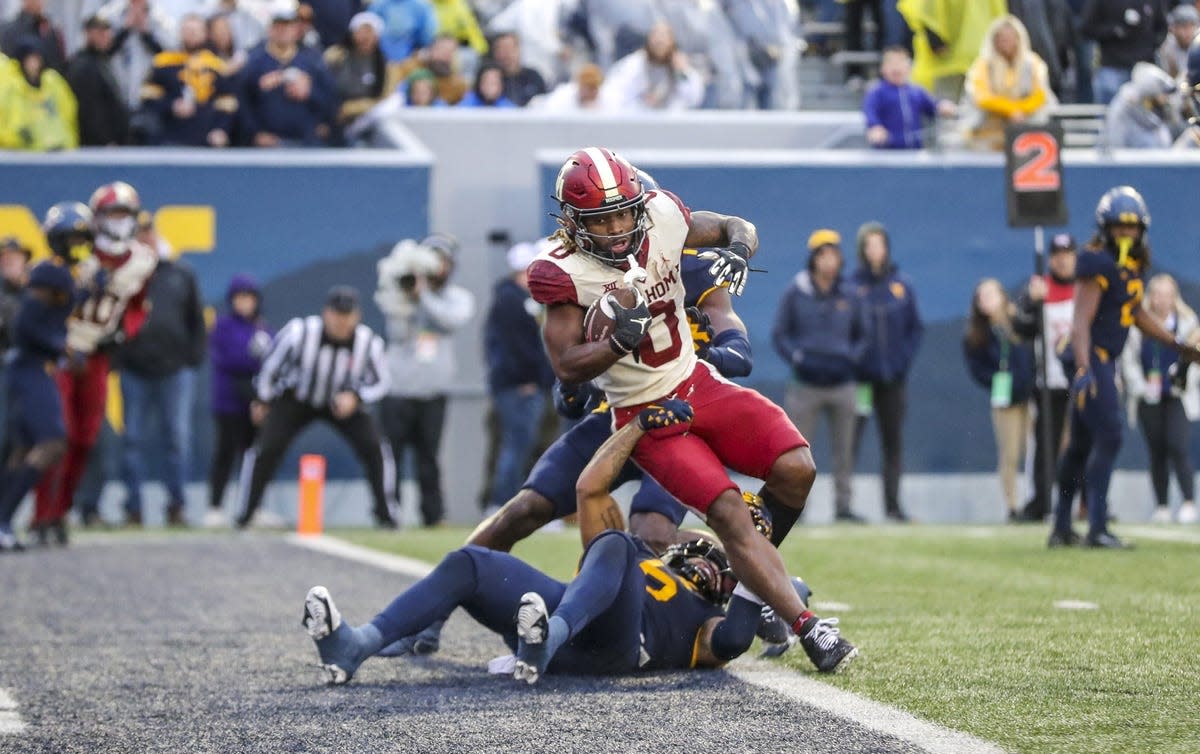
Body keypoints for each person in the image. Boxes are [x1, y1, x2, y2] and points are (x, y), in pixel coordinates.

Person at [525, 147, 856, 673]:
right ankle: (807, 624)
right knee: (725, 512)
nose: (615, 228)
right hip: (644, 411)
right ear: (573, 223)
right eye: (601, 219)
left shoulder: (660, 215)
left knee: (797, 467)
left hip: (697, 380)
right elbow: (566, 365)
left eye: (622, 213)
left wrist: (740, 250)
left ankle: (752, 589)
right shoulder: (561, 273)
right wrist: (615, 345)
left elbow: (731, 225)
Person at [301, 398, 847, 686]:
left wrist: (762, 593)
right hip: (567, 623)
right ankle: (357, 645)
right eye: (717, 555)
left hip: (612, 648)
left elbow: (728, 644)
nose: (715, 566)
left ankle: (547, 638)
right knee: (469, 561)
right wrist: (635, 429)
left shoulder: (705, 621)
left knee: (621, 546)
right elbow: (589, 487)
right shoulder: (658, 559)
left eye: (729, 571)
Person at [1049, 186, 1200, 548]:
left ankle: (1061, 526)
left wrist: (1175, 343)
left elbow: (1134, 311)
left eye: (1131, 228)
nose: (1126, 234)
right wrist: (1085, 368)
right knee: (1111, 434)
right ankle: (1097, 526)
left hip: (1101, 358)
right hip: (1090, 357)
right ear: (1105, 227)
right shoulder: (1096, 261)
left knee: (1080, 445)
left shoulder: (1134, 263)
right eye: (1119, 227)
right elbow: (1081, 320)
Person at [32, 182, 157, 541]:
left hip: (98, 356)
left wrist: (124, 332)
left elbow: (136, 307)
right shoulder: (75, 252)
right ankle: (42, 514)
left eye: (124, 215)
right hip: (62, 350)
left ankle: (61, 512)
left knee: (86, 438)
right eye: (111, 214)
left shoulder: (142, 259)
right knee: (59, 434)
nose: (118, 222)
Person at [236, 286, 394, 529]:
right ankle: (246, 513)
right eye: (336, 314)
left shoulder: (368, 342)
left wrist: (357, 397)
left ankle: (387, 514)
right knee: (266, 448)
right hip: (296, 399)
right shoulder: (299, 333)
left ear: (357, 316)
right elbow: (270, 367)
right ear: (326, 313)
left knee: (375, 447)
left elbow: (382, 382)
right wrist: (264, 400)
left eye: (346, 315)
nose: (341, 321)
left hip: (343, 401)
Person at [375, 235, 475, 528]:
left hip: (433, 391)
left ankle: (432, 515)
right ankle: (386, 513)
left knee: (428, 458)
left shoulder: (457, 297)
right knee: (390, 457)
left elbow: (451, 320)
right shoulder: (401, 294)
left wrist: (424, 297)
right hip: (397, 390)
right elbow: (396, 333)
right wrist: (405, 295)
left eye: (443, 262)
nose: (438, 268)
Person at [113, 230, 206, 527]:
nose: (146, 243)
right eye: (139, 238)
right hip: (135, 370)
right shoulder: (124, 275)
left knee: (176, 440)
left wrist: (191, 360)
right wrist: (119, 360)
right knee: (132, 440)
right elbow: (110, 316)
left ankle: (176, 507)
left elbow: (196, 321)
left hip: (174, 370)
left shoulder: (181, 273)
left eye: (148, 236)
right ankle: (133, 509)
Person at [772, 229, 865, 523]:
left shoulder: (850, 293)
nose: (830, 261)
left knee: (845, 450)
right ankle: (794, 509)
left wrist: (851, 359)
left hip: (843, 384)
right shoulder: (796, 292)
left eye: (834, 255)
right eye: (823, 255)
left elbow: (864, 336)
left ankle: (844, 507)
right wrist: (798, 358)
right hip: (805, 385)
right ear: (813, 259)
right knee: (798, 452)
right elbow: (780, 334)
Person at [0, 209, 78, 551]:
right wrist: (60, 348)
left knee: (22, 448)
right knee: (50, 441)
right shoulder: (48, 275)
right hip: (29, 368)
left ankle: (2, 520)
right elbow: (25, 327)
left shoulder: (56, 274)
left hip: (26, 368)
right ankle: (3, 518)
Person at [851, 221, 923, 522]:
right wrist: (856, 360)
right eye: (869, 245)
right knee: (850, 442)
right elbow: (846, 330)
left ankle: (892, 507)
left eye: (879, 244)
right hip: (860, 381)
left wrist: (901, 362)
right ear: (862, 250)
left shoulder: (901, 285)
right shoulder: (852, 286)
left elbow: (914, 329)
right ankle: (844, 506)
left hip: (894, 380)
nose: (875, 250)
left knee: (892, 444)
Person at [1119, 273, 1199, 524]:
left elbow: (1194, 358)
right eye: (1157, 294)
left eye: (1167, 295)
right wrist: (1140, 387)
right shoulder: (1139, 324)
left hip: (1177, 395)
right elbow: (1128, 359)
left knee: (1177, 445)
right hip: (1148, 396)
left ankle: (1188, 502)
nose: (1162, 300)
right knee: (1157, 451)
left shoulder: (1188, 323)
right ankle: (1162, 505)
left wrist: (1183, 378)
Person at [483, 242, 555, 513]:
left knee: (529, 445)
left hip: (530, 384)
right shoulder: (510, 301)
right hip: (520, 386)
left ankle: (519, 505)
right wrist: (527, 378)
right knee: (518, 446)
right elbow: (517, 347)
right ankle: (505, 503)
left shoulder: (523, 300)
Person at [1012, 233, 1077, 521]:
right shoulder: (1039, 289)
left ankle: (1091, 503)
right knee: (1045, 445)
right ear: (1050, 258)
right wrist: (1030, 302)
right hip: (1049, 379)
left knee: (1085, 441)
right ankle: (1040, 501)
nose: (1063, 259)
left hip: (1081, 376)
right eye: (1057, 254)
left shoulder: (1084, 289)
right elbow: (1021, 329)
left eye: (1068, 253)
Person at [963, 278, 1037, 521]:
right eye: (982, 297)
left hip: (1031, 395)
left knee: (1035, 450)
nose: (988, 301)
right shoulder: (978, 333)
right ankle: (1012, 505)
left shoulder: (1019, 321)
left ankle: (1037, 500)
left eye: (991, 294)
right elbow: (977, 368)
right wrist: (996, 380)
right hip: (1005, 400)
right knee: (1010, 452)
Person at [206, 274, 271, 527]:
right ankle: (215, 507)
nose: (244, 303)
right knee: (225, 453)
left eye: (249, 297)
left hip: (256, 404)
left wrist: (262, 399)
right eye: (239, 297)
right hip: (229, 402)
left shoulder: (263, 328)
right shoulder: (223, 326)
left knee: (254, 455)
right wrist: (253, 358)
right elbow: (232, 360)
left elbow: (274, 362)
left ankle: (253, 506)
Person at [237, 6, 337, 147]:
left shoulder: (312, 61)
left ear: (296, 30)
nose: (283, 31)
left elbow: (330, 98)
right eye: (278, 26)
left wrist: (310, 92)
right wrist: (255, 133)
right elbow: (243, 102)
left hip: (307, 141)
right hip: (268, 143)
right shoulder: (255, 61)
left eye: (288, 26)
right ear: (270, 29)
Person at [138, 13, 238, 147]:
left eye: (195, 31)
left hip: (206, 137)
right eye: (188, 31)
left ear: (205, 34)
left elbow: (228, 102)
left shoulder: (216, 66)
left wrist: (221, 129)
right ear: (180, 32)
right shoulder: (165, 63)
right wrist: (171, 105)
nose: (191, 35)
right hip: (169, 136)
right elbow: (147, 97)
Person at [960, 15, 1056, 152]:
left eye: (1010, 38)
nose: (1006, 42)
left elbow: (1041, 95)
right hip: (987, 134)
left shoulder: (1033, 63)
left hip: (1024, 131)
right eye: (1001, 38)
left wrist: (1020, 110)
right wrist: (1010, 110)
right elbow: (982, 98)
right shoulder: (983, 65)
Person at [896, 0, 1007, 102]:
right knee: (946, 102)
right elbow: (924, 8)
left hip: (979, 55)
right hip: (948, 56)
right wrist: (935, 39)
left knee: (974, 107)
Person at [863, 46, 957, 150]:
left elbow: (932, 105)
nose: (896, 67)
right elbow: (870, 112)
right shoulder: (877, 92)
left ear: (908, 67)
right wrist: (875, 127)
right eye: (891, 63)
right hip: (886, 153)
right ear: (883, 68)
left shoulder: (916, 91)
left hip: (914, 152)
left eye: (900, 63)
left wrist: (942, 106)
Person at [599, 21, 705, 111]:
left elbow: (694, 98)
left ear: (672, 42)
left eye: (664, 37)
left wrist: (682, 72)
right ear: (649, 40)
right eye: (656, 37)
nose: (659, 41)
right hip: (639, 123)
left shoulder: (680, 68)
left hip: (671, 126)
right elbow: (612, 92)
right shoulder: (634, 64)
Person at [1080, 0, 1170, 105]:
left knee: (1145, 118)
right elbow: (1086, 28)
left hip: (1143, 68)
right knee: (1110, 114)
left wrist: (1149, 45)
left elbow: (1162, 28)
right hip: (1112, 66)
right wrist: (1113, 31)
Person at [0, 36, 78, 151]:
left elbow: (68, 113)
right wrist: (16, 138)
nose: (34, 64)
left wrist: (68, 140)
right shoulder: (12, 88)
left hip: (57, 149)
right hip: (22, 154)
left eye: (37, 58)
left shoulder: (53, 82)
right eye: (30, 59)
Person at [65, 14, 130, 146]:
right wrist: (105, 141)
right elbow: (89, 112)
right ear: (88, 34)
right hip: (96, 146)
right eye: (101, 33)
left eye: (107, 33)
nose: (106, 37)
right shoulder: (83, 66)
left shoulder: (101, 61)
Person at [1104, 61, 1180, 149]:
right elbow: (1117, 143)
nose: (1166, 98)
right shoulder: (1127, 102)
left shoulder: (1152, 108)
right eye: (1163, 93)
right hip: (1128, 156)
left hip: (1150, 156)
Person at [487, 31, 545, 107]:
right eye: (500, 49)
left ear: (518, 49)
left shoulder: (533, 77)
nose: (505, 53)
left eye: (509, 48)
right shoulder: (489, 79)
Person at [0, 237, 30, 352]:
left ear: (24, 260)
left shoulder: (38, 289)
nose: (7, 261)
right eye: (3, 257)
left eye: (13, 256)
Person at [1157, 3, 1199, 81]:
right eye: (1183, 27)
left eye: (1191, 26)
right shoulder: (1166, 47)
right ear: (1173, 28)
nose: (1188, 32)